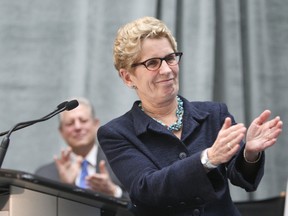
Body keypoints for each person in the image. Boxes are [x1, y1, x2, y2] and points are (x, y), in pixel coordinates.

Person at [96, 16, 283, 216]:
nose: (167, 70)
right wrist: (207, 159)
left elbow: (242, 179)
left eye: (169, 58)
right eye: (152, 63)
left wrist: (250, 153)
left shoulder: (214, 114)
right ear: (127, 77)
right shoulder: (117, 133)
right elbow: (147, 189)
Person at [35, 97, 129, 200]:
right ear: (61, 131)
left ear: (96, 124)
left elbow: (144, 205)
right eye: (70, 123)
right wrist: (65, 188)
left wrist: (114, 192)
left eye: (83, 121)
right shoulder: (44, 175)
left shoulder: (121, 163)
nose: (78, 127)